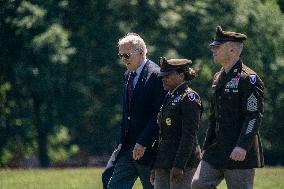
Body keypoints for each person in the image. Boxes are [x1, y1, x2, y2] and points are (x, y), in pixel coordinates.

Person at [191, 26, 264, 189]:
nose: (213, 50)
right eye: (213, 47)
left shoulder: (249, 79)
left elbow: (253, 116)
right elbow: (214, 117)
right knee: (198, 184)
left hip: (238, 152)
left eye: (217, 47)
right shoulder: (218, 77)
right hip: (216, 150)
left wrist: (242, 145)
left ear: (231, 50)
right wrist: (206, 147)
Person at [107, 33, 166, 189]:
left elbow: (158, 115)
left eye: (126, 55)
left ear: (140, 52)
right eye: (121, 56)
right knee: (113, 185)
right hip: (127, 149)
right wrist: (120, 141)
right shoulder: (127, 75)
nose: (123, 60)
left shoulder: (156, 75)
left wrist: (143, 142)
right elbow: (126, 114)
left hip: (148, 150)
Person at [150, 57, 202, 189]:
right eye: (162, 75)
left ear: (180, 75)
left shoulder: (189, 97)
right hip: (163, 162)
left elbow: (188, 135)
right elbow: (162, 134)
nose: (163, 78)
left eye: (167, 75)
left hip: (182, 164)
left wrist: (179, 165)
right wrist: (154, 165)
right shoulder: (169, 96)